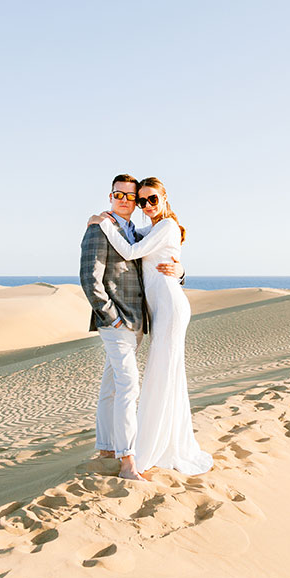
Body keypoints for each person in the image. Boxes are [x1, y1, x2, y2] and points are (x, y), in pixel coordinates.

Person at [88, 177, 212, 477]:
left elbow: (131, 252)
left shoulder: (167, 226)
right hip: (158, 311)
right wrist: (104, 221)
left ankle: (153, 448)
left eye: (152, 199)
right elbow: (132, 237)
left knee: (162, 374)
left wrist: (100, 224)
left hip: (170, 308)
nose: (146, 206)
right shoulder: (154, 228)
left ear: (165, 198)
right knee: (163, 374)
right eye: (141, 201)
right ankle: (153, 442)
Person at [80, 174, 181, 481]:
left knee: (112, 385)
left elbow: (155, 262)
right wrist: (111, 316)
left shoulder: (135, 233)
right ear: (110, 196)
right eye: (118, 195)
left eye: (131, 197)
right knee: (128, 386)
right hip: (117, 322)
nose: (125, 201)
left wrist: (180, 270)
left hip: (136, 322)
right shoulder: (100, 228)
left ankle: (106, 447)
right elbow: (89, 278)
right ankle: (127, 461)